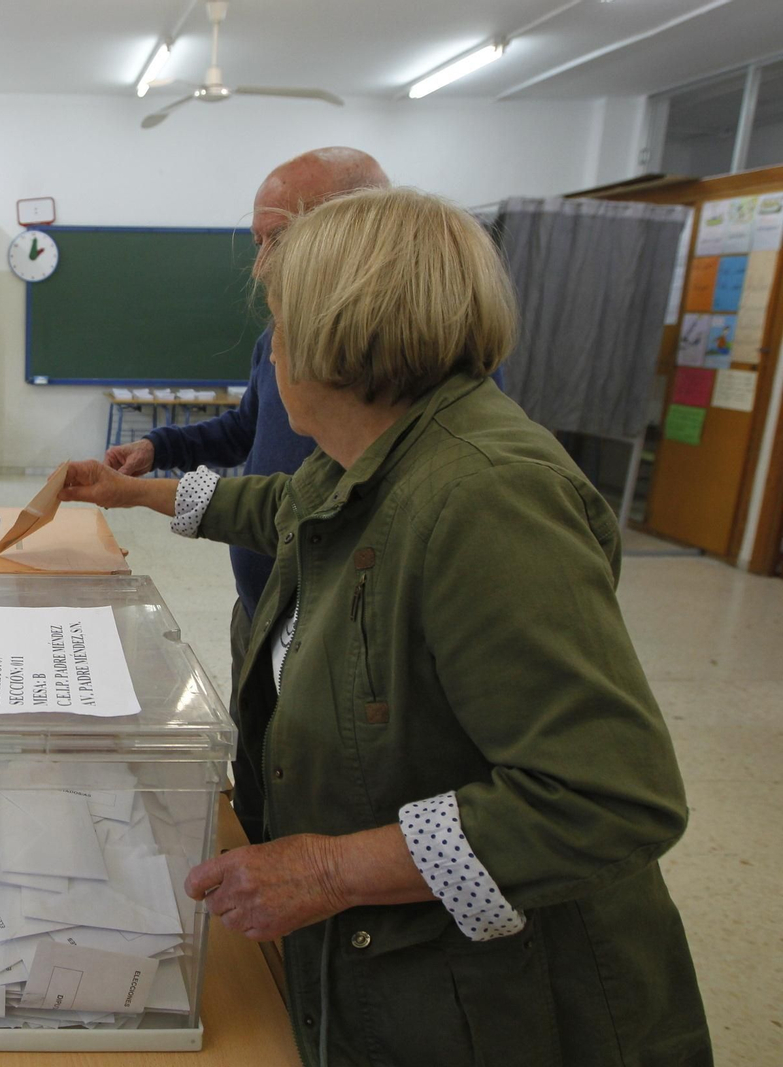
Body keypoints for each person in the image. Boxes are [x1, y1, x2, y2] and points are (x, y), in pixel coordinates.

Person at [60, 186, 710, 1065]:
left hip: (519, 1011)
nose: (272, 348)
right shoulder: (384, 453)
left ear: (333, 333)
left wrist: (324, 869)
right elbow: (284, 504)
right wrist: (135, 492)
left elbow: (609, 796)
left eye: (280, 322)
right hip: (408, 972)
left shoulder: (486, 494)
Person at [101, 147, 387, 830]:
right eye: (257, 244)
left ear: (354, 230)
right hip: (264, 606)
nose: (261, 269)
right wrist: (157, 454)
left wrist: (332, 873)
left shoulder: (413, 373)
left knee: (329, 811)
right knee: (261, 777)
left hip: (341, 636)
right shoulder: (280, 338)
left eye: (277, 241)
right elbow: (283, 493)